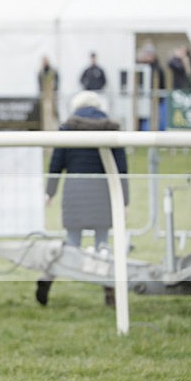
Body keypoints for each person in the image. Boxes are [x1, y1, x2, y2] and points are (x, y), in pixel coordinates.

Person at [36, 90, 129, 307]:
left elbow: (56, 164)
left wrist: (50, 192)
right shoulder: (110, 130)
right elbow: (122, 169)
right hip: (103, 194)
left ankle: (48, 276)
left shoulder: (67, 129)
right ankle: (109, 288)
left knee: (72, 242)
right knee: (103, 244)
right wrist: (124, 201)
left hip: (75, 192)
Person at [38, 56, 59, 129]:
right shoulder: (41, 72)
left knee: (53, 112)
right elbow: (40, 84)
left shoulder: (53, 72)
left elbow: (56, 83)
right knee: (45, 112)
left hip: (52, 95)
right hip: (45, 95)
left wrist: (54, 90)